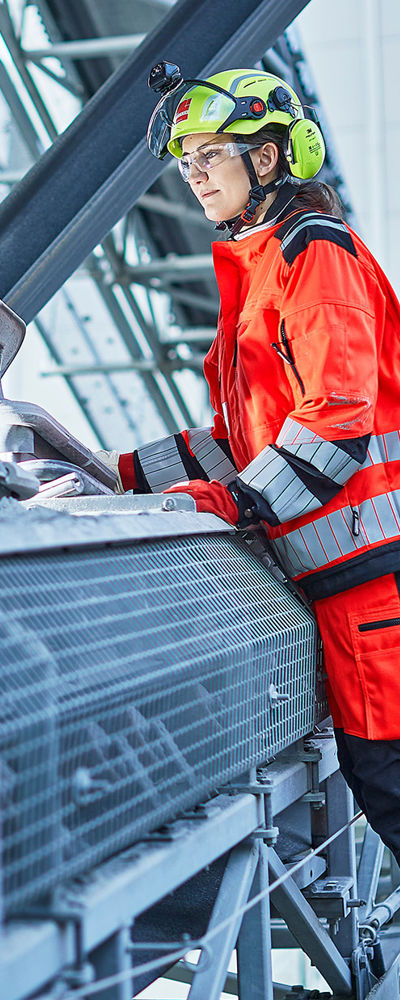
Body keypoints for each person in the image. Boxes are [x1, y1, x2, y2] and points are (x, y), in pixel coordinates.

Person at [109, 62, 400, 862]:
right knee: (384, 785)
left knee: (391, 781)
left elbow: (335, 423)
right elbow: (244, 440)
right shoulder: (261, 266)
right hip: (352, 589)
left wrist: (235, 503)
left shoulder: (314, 253)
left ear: (266, 161)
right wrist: (121, 472)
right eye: (186, 158)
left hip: (381, 586)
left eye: (211, 153)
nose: (193, 172)